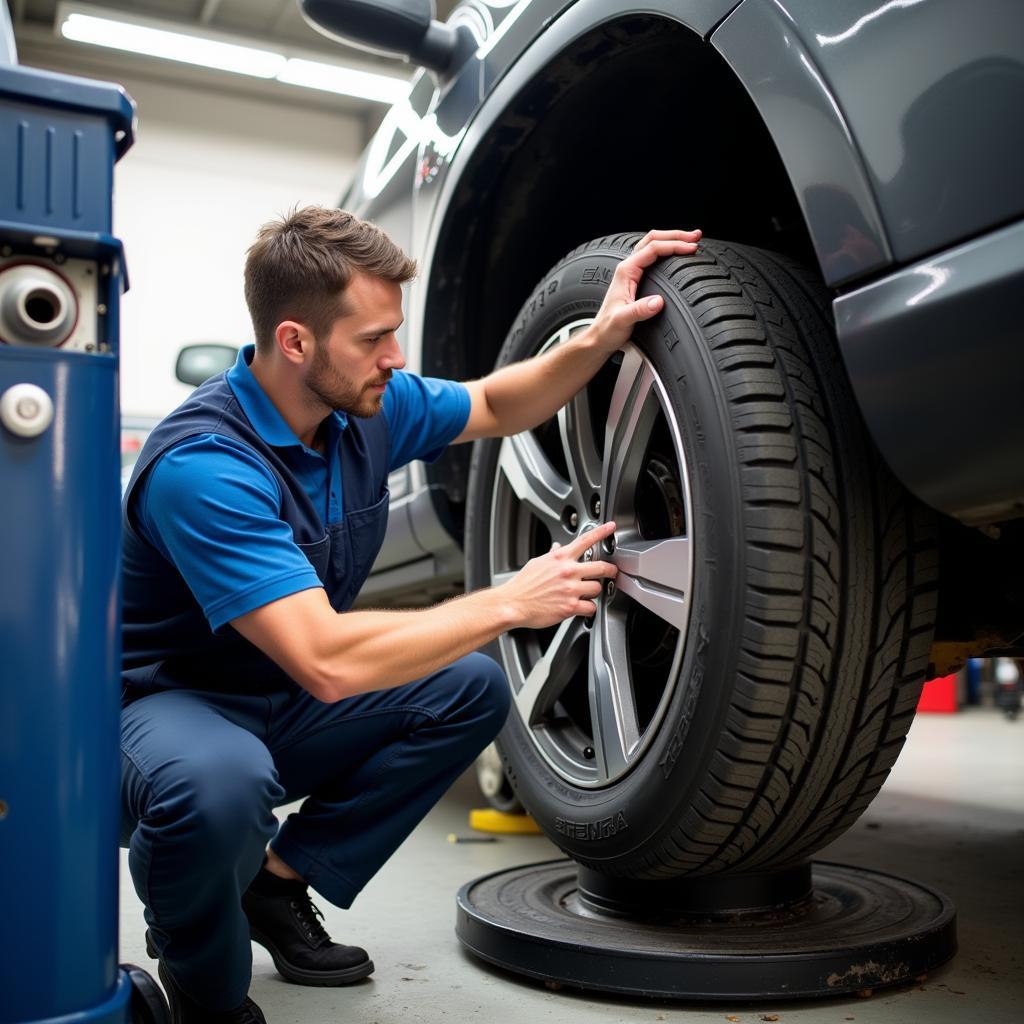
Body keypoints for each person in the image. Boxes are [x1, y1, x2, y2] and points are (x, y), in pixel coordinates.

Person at [119, 206, 701, 1022]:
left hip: (277, 696)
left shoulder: (362, 408)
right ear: (295, 341)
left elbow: (497, 403)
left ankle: (275, 887)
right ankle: (199, 972)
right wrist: (506, 600)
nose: (396, 358)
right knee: (221, 786)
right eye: (373, 339)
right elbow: (325, 659)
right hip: (164, 712)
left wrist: (598, 338)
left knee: (467, 687)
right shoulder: (205, 469)